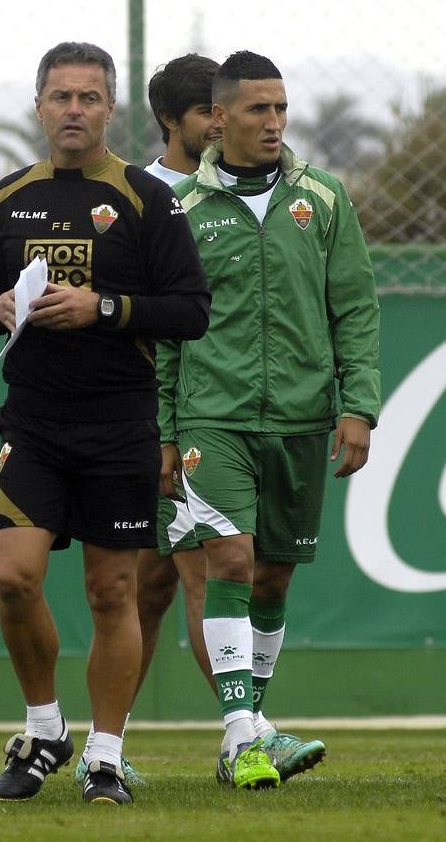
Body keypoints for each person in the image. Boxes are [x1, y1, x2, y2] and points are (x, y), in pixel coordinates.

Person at [0, 41, 211, 806]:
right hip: (32, 426)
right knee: (13, 579)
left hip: (118, 426)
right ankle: (43, 730)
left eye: (88, 97)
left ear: (110, 109)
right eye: (60, 96)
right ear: (38, 106)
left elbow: (191, 310)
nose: (73, 109)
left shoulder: (144, 198)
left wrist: (101, 306)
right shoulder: (8, 196)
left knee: (111, 592)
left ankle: (104, 757)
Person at [157, 50, 381, 790]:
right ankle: (240, 731)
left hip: (299, 420)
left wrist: (358, 405)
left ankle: (247, 736)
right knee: (228, 562)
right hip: (209, 418)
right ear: (218, 119)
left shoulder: (321, 198)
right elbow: (163, 338)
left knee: (273, 581)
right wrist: (164, 430)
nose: (274, 122)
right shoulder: (181, 211)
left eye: (281, 108)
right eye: (258, 109)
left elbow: (352, 306)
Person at [73, 54, 221, 785]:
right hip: (154, 417)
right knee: (195, 572)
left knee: (160, 583)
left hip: (221, 407)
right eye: (209, 113)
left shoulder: (253, 192)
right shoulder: (136, 196)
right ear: (173, 119)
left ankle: (107, 747)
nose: (222, 126)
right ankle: (243, 734)